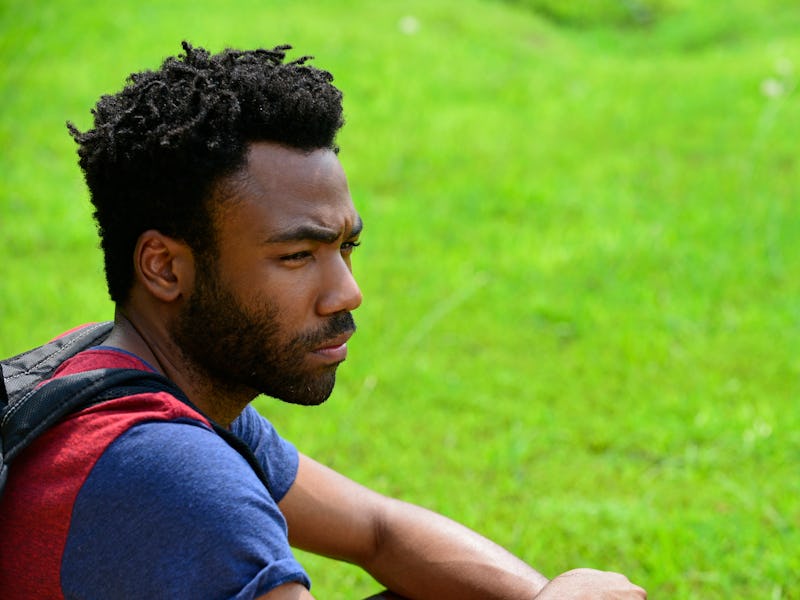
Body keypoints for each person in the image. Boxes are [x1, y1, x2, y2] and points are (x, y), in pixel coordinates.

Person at [0, 42, 646, 599]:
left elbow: (380, 528)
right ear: (165, 268)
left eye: (345, 249)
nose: (347, 294)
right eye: (297, 256)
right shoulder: (176, 477)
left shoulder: (99, 375)